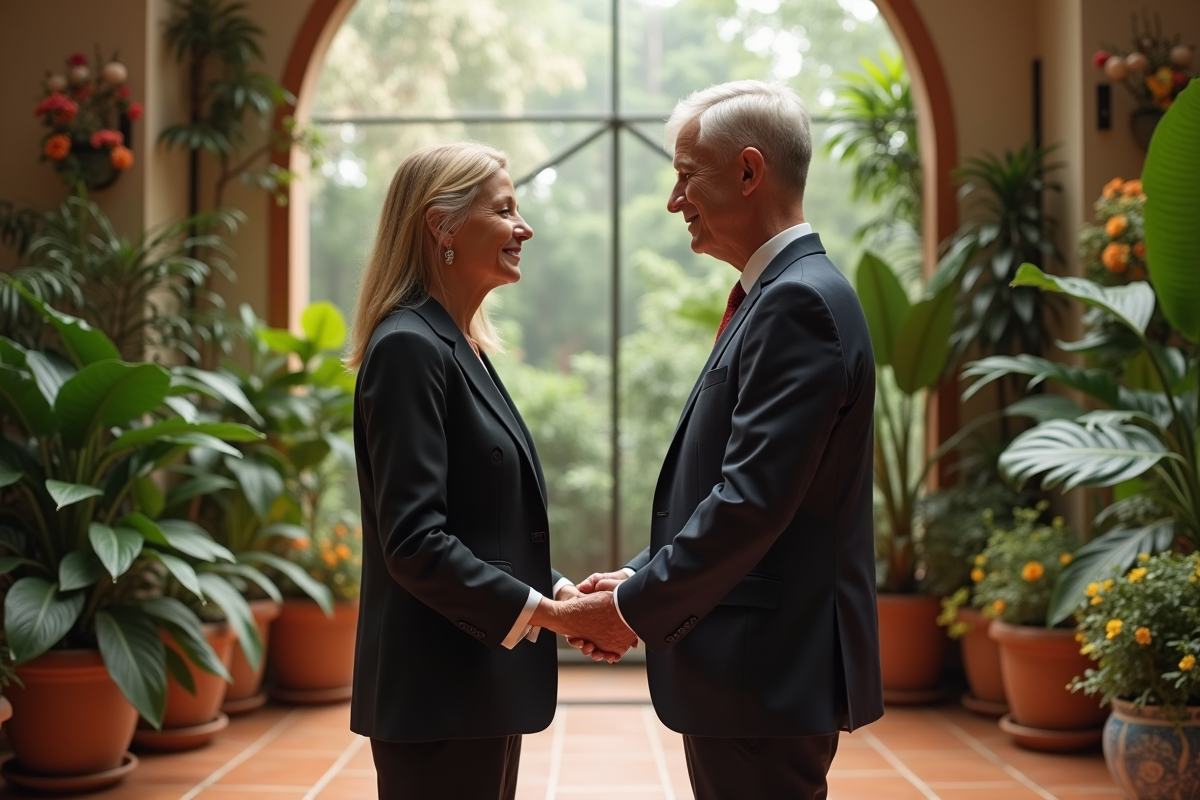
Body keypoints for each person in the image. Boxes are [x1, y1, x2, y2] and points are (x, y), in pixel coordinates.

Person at [574, 80, 884, 799]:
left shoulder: (797, 303)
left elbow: (750, 501)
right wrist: (642, 574)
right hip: (757, 669)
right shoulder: (779, 295)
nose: (674, 199)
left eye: (687, 175)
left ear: (749, 172)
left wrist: (630, 612)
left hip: (764, 671)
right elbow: (745, 484)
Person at [345, 142, 635, 800]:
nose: (523, 227)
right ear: (440, 226)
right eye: (504, 210)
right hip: (436, 698)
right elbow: (416, 544)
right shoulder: (409, 349)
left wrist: (557, 592)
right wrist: (557, 619)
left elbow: (481, 522)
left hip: (474, 687)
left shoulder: (458, 344)